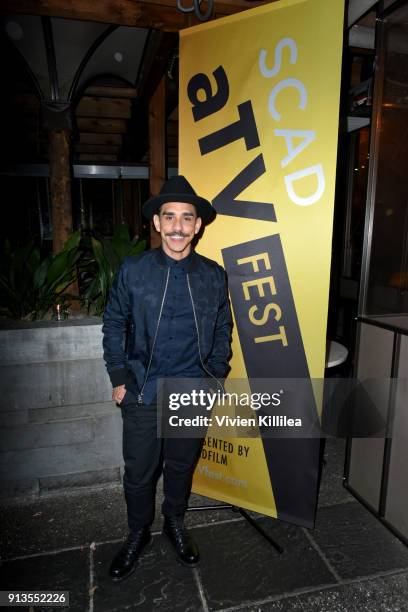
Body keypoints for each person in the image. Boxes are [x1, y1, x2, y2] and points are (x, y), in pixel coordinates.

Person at [102, 175, 232, 581]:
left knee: (180, 466)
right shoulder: (134, 270)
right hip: (143, 388)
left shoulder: (213, 274)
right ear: (157, 223)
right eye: (169, 217)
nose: (178, 226)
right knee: (139, 472)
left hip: (193, 388)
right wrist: (119, 375)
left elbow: (223, 328)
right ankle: (138, 532)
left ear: (197, 226)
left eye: (186, 218)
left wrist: (216, 375)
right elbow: (113, 322)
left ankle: (175, 522)